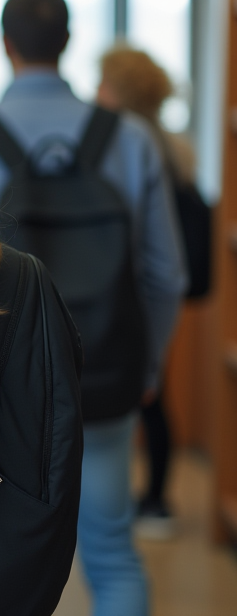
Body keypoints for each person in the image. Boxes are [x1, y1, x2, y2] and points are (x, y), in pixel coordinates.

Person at [0, 0, 187, 616]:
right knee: (111, 548)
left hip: (0, 384)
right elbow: (166, 273)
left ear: (6, 44)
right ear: (69, 43)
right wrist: (149, 368)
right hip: (105, 370)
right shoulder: (130, 138)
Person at [97, 46, 200, 539]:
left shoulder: (128, 143)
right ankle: (155, 497)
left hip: (132, 294)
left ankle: (153, 499)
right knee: (152, 398)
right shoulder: (171, 143)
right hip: (155, 294)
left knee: (147, 396)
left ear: (118, 89)